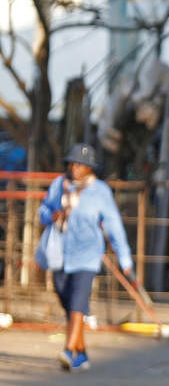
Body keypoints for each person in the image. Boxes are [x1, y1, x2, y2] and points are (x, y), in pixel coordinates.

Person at [36, 143, 134, 371]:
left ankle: (68, 350)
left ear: (91, 168)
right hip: (60, 253)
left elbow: (114, 226)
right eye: (72, 163)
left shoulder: (100, 191)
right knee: (66, 300)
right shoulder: (59, 185)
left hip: (88, 254)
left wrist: (125, 258)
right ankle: (81, 352)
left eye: (81, 165)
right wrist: (52, 214)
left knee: (79, 300)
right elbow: (42, 212)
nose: (76, 168)